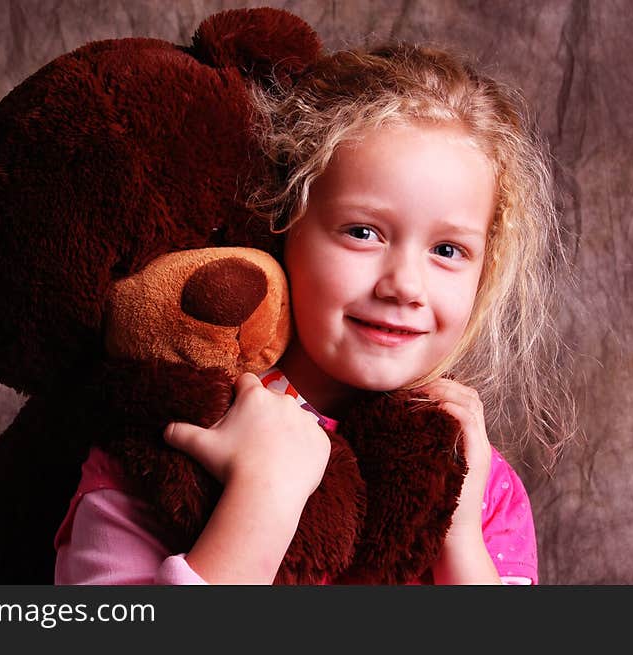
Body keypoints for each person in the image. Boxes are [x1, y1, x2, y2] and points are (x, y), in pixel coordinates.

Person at [54, 43, 577, 585]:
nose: (405, 286)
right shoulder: (174, 436)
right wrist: (263, 495)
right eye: (362, 232)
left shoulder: (479, 484)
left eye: (448, 250)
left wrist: (459, 533)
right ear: (283, 223)